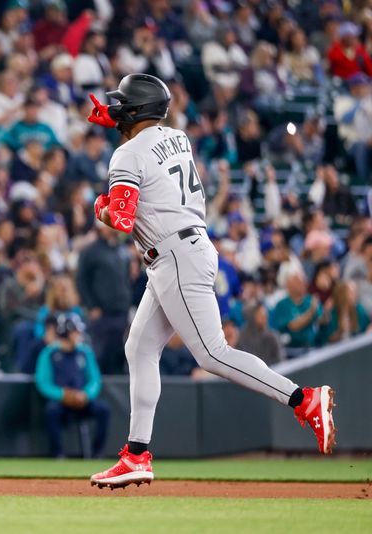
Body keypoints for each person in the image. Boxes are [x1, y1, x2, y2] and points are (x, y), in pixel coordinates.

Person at [85, 74, 335, 490]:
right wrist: (118, 121)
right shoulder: (177, 136)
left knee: (212, 355)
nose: (113, 109)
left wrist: (101, 208)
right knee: (140, 348)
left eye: (120, 105)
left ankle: (303, 399)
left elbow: (123, 219)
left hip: (175, 256)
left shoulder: (126, 154)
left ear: (132, 111)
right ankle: (135, 454)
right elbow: (148, 150)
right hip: (185, 248)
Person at [35, 314, 109, 458]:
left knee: (103, 410)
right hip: (61, 401)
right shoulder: (49, 353)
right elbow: (43, 383)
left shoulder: (84, 352)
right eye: (75, 331)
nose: (79, 335)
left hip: (82, 400)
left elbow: (95, 380)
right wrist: (63, 395)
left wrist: (86, 394)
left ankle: (97, 453)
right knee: (52, 411)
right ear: (65, 332)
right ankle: (58, 454)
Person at [75, 223, 131, 374]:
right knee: (100, 356)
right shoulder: (90, 251)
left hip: (121, 313)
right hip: (102, 315)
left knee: (120, 356)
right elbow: (81, 280)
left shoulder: (121, 250)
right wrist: (91, 306)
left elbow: (126, 279)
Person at [272, 270, 323, 349]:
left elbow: (322, 319)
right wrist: (311, 311)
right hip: (293, 349)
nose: (303, 285)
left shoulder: (310, 300)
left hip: (314, 345)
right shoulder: (282, 305)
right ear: (289, 286)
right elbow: (293, 326)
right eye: (299, 282)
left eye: (303, 282)